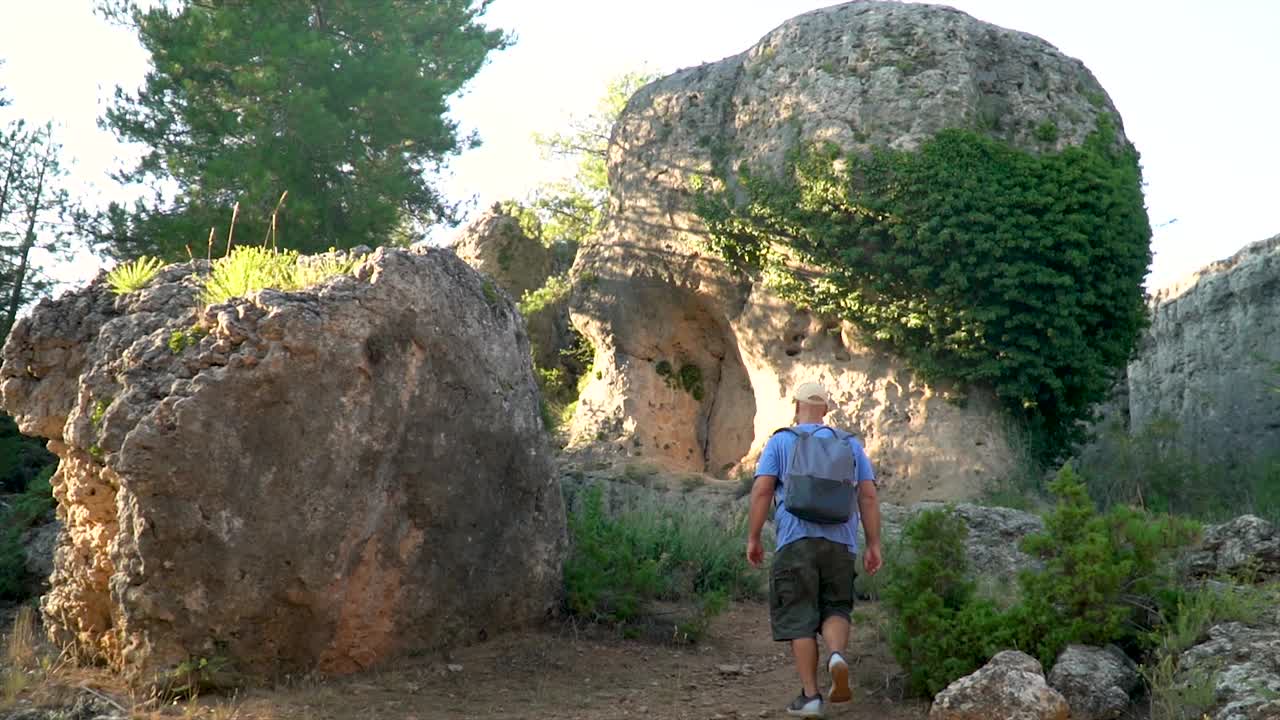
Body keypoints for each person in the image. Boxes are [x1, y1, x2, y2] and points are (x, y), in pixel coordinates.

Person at [746, 380, 883, 718]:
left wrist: (753, 537)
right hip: (841, 543)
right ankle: (837, 656)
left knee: (799, 617)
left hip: (795, 542)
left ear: (797, 406)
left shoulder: (781, 441)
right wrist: (874, 544)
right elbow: (867, 496)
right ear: (826, 409)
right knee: (836, 606)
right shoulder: (850, 445)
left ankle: (810, 697)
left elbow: (763, 490)